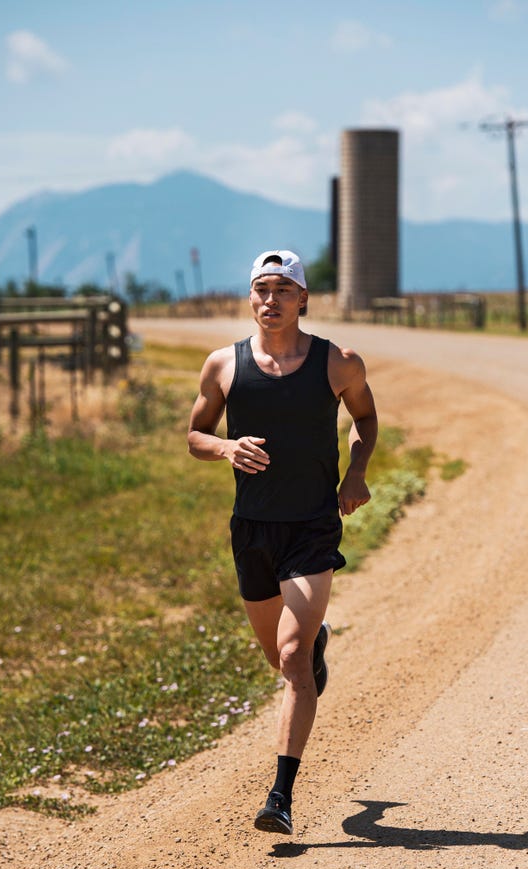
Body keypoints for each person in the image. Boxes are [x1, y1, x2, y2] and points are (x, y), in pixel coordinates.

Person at [187, 249, 378, 835]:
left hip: (313, 526)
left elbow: (365, 420)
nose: (270, 300)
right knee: (283, 657)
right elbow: (195, 433)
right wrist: (225, 447)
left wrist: (355, 474)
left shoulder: (338, 363)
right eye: (260, 290)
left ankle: (281, 796)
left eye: (282, 290)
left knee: (292, 662)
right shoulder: (223, 365)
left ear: (303, 300)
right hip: (253, 530)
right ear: (251, 298)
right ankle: (315, 641)